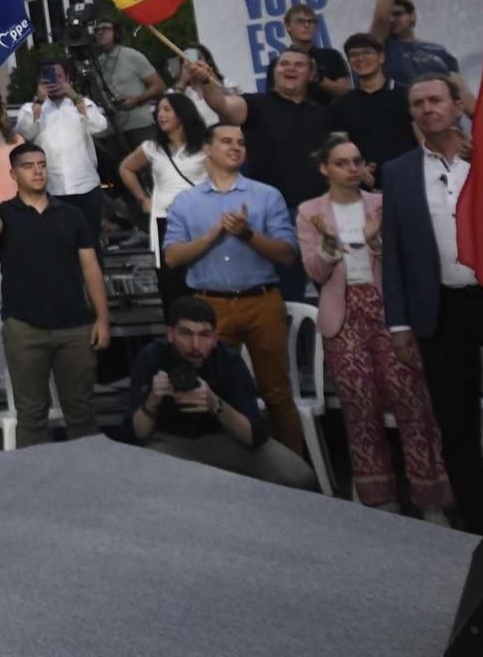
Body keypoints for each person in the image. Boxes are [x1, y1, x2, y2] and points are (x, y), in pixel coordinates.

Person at [379, 75, 483, 532]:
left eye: (436, 100)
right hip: (441, 311)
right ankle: (478, 528)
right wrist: (399, 324)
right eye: (418, 103)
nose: (428, 109)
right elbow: (395, 253)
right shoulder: (399, 171)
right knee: (456, 424)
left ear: (456, 105)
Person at [297, 136, 451, 521]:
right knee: (359, 406)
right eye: (342, 163)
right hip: (343, 313)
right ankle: (380, 500)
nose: (352, 168)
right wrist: (331, 245)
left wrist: (374, 239)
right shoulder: (310, 211)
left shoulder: (383, 203)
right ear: (325, 169)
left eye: (356, 161)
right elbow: (315, 272)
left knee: (413, 402)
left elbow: (402, 257)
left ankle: (432, 499)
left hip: (389, 307)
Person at [161, 123, 306, 457]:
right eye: (226, 141)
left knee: (278, 394)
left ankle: (294, 474)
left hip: (263, 301)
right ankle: (225, 473)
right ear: (207, 149)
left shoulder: (266, 195)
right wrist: (212, 236)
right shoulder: (186, 201)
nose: (236, 147)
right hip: (209, 310)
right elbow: (171, 257)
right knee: (210, 393)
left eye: (241, 142)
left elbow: (287, 254)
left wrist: (247, 235)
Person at [0, 142, 109, 445]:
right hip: (25, 327)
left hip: (74, 326)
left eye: (42, 164)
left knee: (82, 415)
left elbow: (91, 268)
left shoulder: (71, 215)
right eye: (28, 166)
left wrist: (103, 319)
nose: (37, 171)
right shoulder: (5, 212)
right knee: (31, 417)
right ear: (13, 174)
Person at [113, 296, 317, 490]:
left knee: (299, 476)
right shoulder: (152, 357)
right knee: (144, 479)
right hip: (168, 440)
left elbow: (254, 435)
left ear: (215, 338)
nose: (195, 345)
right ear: (170, 334)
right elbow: (135, 434)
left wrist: (214, 403)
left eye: (204, 335)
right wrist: (153, 400)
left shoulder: (228, 361)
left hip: (221, 438)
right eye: (185, 333)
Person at [189, 49, 327, 301]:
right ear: (274, 72)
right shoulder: (256, 104)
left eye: (299, 65)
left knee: (330, 290)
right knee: (288, 293)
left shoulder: (322, 112)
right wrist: (207, 82)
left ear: (312, 74)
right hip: (275, 214)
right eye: (284, 64)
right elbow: (223, 105)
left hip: (319, 213)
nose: (290, 69)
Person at [116, 93, 209, 315]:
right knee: (170, 281)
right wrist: (143, 198)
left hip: (201, 219)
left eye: (167, 110)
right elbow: (126, 168)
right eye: (159, 110)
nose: (161, 115)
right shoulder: (151, 147)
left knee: (204, 276)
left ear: (183, 113)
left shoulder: (205, 145)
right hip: (164, 220)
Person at [13, 60, 111, 240]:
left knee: (90, 242)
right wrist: (39, 102)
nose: (55, 82)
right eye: (49, 77)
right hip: (51, 189)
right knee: (57, 244)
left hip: (86, 186)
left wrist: (76, 98)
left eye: (59, 76)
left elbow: (100, 127)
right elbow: (24, 133)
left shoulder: (83, 103)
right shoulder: (30, 108)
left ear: (68, 79)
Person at [369, 0, 477, 111]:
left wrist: (480, 120)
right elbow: (381, 19)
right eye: (390, 15)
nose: (392, 19)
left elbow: (460, 92)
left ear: (412, 16)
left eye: (398, 14)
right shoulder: (381, 48)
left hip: (439, 123)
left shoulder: (438, 51)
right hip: (401, 121)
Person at [326, 34, 417, 182]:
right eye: (354, 55)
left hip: (410, 181)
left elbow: (425, 142)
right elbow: (338, 150)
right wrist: (356, 170)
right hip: (363, 189)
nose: (360, 58)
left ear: (381, 57)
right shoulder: (339, 105)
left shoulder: (408, 95)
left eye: (367, 52)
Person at [88, 19, 165, 144]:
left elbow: (159, 86)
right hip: (113, 129)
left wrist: (137, 100)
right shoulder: (96, 63)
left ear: (116, 33)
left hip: (139, 125)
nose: (101, 33)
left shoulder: (132, 55)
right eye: (97, 30)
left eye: (106, 29)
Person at [260, 4, 350, 104]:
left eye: (311, 22)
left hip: (328, 116)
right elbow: (273, 100)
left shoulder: (332, 56)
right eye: (300, 21)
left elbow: (346, 92)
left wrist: (318, 79)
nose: (307, 25)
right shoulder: (278, 63)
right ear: (288, 26)